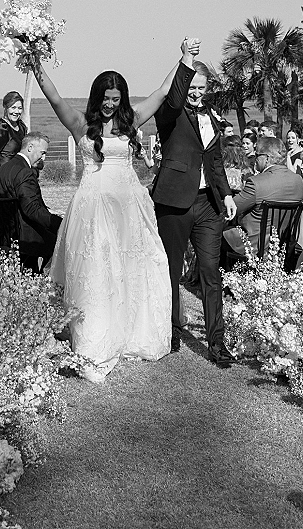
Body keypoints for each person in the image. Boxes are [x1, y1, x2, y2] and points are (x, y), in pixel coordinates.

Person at [34, 41, 197, 381]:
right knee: (95, 268)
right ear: (97, 98)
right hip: (92, 206)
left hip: (128, 205)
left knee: (133, 265)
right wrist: (34, 62)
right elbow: (54, 97)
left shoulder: (132, 120)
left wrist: (184, 58)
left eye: (115, 99)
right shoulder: (80, 123)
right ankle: (95, 334)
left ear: (122, 99)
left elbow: (163, 90)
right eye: (105, 99)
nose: (110, 105)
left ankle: (132, 331)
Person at [152, 54, 236, 368]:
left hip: (208, 205)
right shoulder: (169, 113)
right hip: (174, 201)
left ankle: (217, 344)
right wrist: (185, 60)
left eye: (201, 87)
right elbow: (174, 99)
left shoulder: (211, 117)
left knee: (211, 274)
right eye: (191, 85)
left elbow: (215, 161)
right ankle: (170, 332)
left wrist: (225, 194)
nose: (196, 92)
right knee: (171, 271)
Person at [0, 131, 62, 273]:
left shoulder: (4, 168)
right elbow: (31, 209)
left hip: (4, 232)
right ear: (30, 147)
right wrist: (59, 224)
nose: (43, 157)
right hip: (24, 236)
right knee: (61, 239)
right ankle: (41, 280)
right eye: (42, 152)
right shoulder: (24, 172)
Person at [225, 136, 303, 256]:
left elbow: (232, 208)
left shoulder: (256, 182)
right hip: (283, 244)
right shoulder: (298, 180)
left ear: (266, 158)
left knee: (213, 236)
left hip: (253, 244)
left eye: (257, 155)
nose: (255, 159)